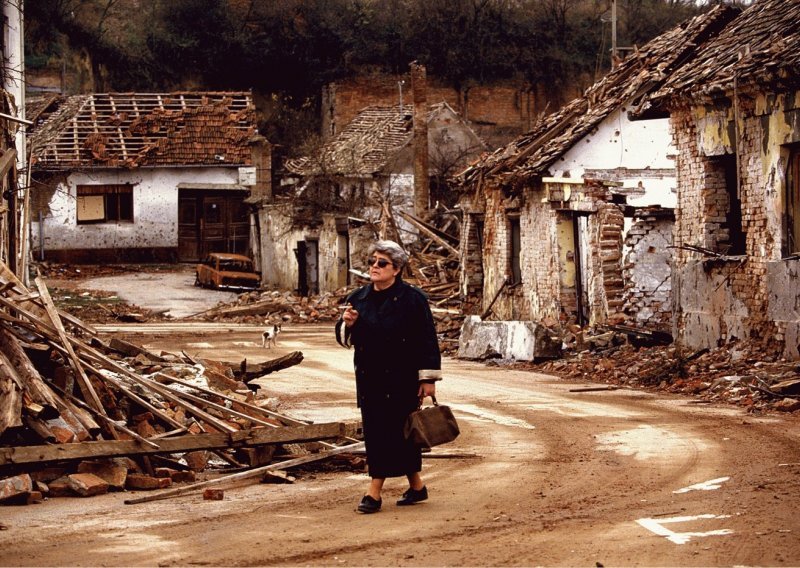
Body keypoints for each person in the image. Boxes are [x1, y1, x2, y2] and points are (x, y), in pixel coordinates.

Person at [335, 239, 441, 514]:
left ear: (397, 269)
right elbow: (345, 338)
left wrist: (427, 380)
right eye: (372, 262)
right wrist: (347, 325)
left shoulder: (413, 299)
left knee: (404, 434)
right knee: (377, 433)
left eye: (382, 263)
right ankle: (417, 487)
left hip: (402, 378)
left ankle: (374, 494)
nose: (375, 267)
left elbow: (427, 340)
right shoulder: (359, 298)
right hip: (370, 378)